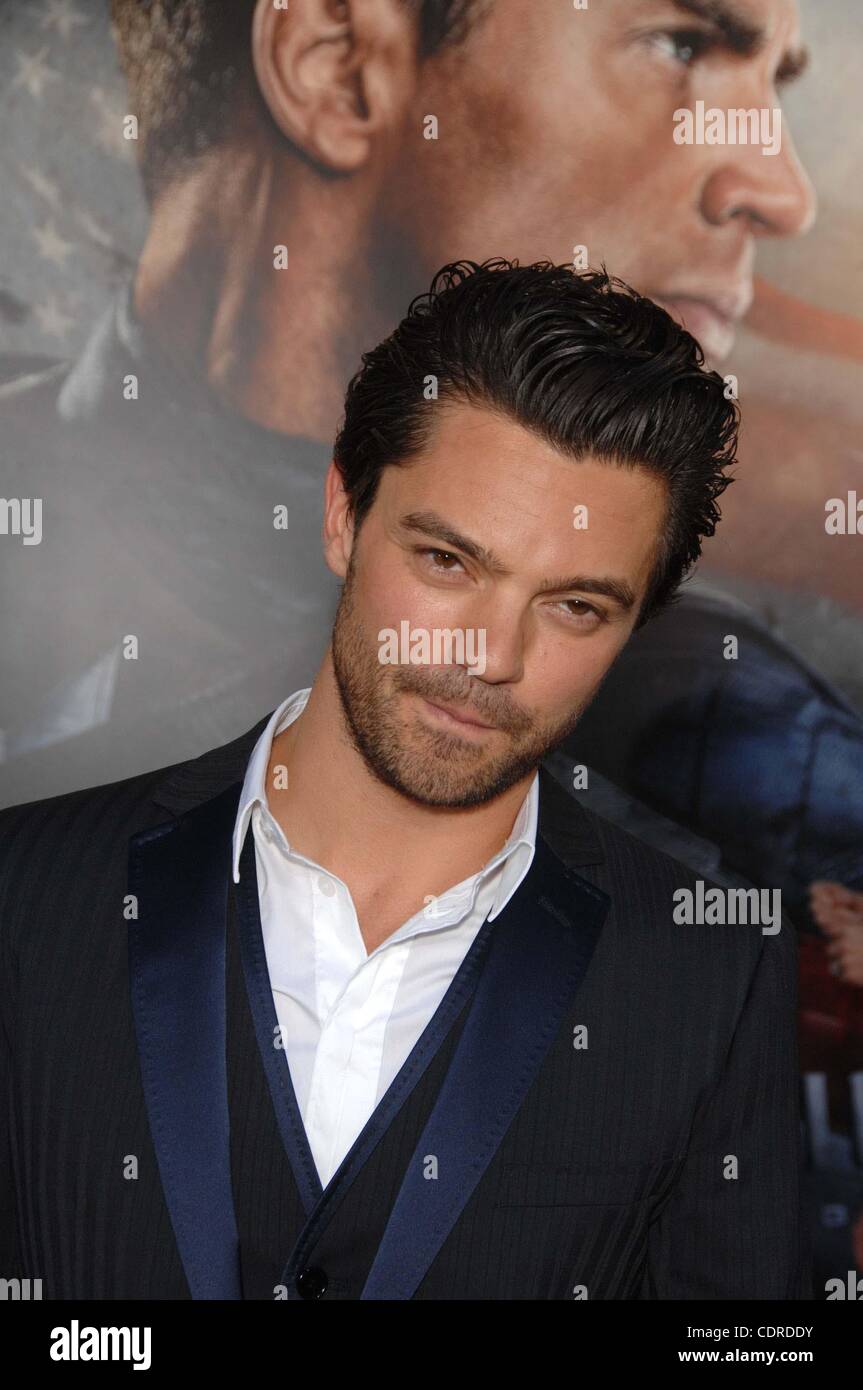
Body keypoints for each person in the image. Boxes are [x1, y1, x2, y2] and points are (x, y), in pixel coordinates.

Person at [0, 261, 809, 1300]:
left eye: (574, 607)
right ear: (342, 513)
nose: (489, 653)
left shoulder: (708, 976)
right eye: (446, 562)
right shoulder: (29, 893)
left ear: (634, 628)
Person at [0, 0, 819, 805]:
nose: (784, 195)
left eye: (577, 606)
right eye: (680, 46)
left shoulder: (736, 741)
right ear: (338, 64)